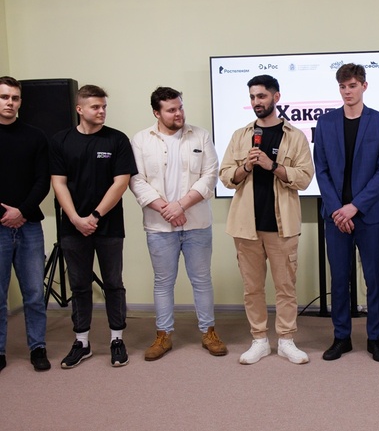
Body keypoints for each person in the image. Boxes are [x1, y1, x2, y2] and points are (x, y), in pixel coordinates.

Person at [220, 75, 313, 365]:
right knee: (252, 289)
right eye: (252, 97)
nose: (256, 102)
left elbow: (304, 178)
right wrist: (246, 167)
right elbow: (226, 176)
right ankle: (259, 340)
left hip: (282, 226)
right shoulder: (241, 135)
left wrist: (272, 166)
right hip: (246, 226)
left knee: (286, 288)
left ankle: (286, 340)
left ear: (276, 97)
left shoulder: (294, 136)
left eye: (261, 96)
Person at [129, 86, 227, 361]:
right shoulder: (141, 140)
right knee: (163, 282)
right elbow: (136, 180)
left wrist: (180, 206)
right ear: (156, 113)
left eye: (180, 107)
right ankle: (163, 335)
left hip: (197, 224)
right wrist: (168, 210)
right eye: (171, 110)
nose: (178, 113)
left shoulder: (200, 135)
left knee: (202, 280)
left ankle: (208, 332)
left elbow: (210, 176)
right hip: (159, 227)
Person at [50, 84, 137, 369]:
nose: (101, 111)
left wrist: (95, 216)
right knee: (79, 285)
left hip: (109, 226)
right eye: (95, 107)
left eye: (104, 106)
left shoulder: (117, 140)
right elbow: (58, 183)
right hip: (72, 228)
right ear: (80, 109)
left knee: (113, 284)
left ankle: (116, 339)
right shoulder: (60, 141)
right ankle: (82, 342)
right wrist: (76, 218)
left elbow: (121, 182)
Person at [314, 63, 379, 362]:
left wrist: (354, 206)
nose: (347, 91)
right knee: (339, 279)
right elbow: (321, 169)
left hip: (369, 214)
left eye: (352, 86)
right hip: (336, 216)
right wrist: (338, 209)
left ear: (364, 86)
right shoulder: (326, 123)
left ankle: (375, 338)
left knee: (374, 278)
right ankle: (341, 337)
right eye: (343, 87)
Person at [0, 76, 51, 372]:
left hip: (29, 225)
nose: (10, 102)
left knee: (33, 293)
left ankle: (38, 347)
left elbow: (43, 180)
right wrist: (5, 214)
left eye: (15, 98)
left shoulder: (35, 136)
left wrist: (21, 211)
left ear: (20, 101)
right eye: (4, 97)